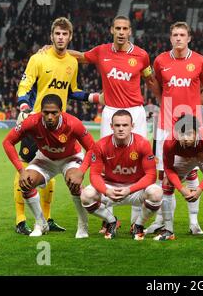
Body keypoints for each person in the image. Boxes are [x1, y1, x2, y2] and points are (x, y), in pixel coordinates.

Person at [62, 15, 157, 230]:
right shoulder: (101, 51)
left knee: (139, 162)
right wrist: (54, 49)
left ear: (130, 31)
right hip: (111, 111)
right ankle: (109, 220)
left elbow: (149, 78)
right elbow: (81, 57)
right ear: (111, 30)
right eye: (118, 28)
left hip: (135, 112)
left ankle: (136, 221)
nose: (121, 32)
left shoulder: (141, 55)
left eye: (125, 28)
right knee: (105, 160)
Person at [14, 17, 101, 235]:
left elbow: (72, 91)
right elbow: (24, 85)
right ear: (51, 36)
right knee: (26, 170)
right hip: (35, 122)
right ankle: (21, 219)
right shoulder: (39, 58)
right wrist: (24, 107)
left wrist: (94, 97)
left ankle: (46, 218)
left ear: (70, 37)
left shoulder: (72, 63)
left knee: (49, 168)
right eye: (57, 34)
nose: (60, 37)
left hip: (58, 124)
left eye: (64, 34)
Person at [146, 21, 203, 235]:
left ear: (189, 38)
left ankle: (194, 223)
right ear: (170, 37)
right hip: (166, 126)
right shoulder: (160, 60)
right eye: (175, 34)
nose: (178, 38)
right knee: (163, 174)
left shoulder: (200, 61)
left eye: (182, 35)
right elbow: (156, 86)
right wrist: (161, 100)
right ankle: (161, 221)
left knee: (192, 173)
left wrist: (195, 108)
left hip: (190, 128)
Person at [3, 94, 95, 238]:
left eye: (54, 113)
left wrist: (81, 171)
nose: (50, 116)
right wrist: (21, 170)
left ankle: (83, 226)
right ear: (41, 111)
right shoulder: (32, 122)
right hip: (45, 158)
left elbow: (92, 148)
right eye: (46, 112)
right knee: (26, 183)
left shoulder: (73, 123)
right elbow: (7, 142)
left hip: (70, 158)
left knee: (74, 183)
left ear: (61, 111)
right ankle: (41, 223)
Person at [80, 110, 162, 240]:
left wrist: (130, 190)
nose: (121, 129)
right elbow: (94, 175)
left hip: (135, 189)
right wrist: (106, 191)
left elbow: (151, 175)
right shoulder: (100, 145)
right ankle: (111, 221)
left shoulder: (142, 144)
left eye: (125, 125)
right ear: (111, 126)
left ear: (132, 126)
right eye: (117, 125)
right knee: (86, 196)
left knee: (156, 193)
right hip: (110, 187)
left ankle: (138, 225)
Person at [154, 114, 203, 243]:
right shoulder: (170, 142)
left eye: (189, 133)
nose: (185, 138)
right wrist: (182, 189)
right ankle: (168, 230)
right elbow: (168, 168)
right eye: (181, 134)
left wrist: (200, 189)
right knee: (167, 182)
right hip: (183, 158)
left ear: (197, 132)